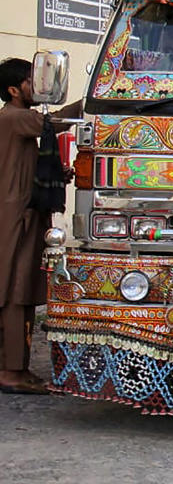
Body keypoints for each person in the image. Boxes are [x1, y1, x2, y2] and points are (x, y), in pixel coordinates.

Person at [0, 58, 80, 394]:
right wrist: (91, 101)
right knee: (15, 292)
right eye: (32, 82)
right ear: (14, 90)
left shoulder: (18, 122)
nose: (38, 87)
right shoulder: (14, 117)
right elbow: (53, 124)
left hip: (27, 214)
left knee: (24, 291)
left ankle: (17, 367)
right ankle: (11, 372)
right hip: (17, 217)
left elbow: (29, 164)